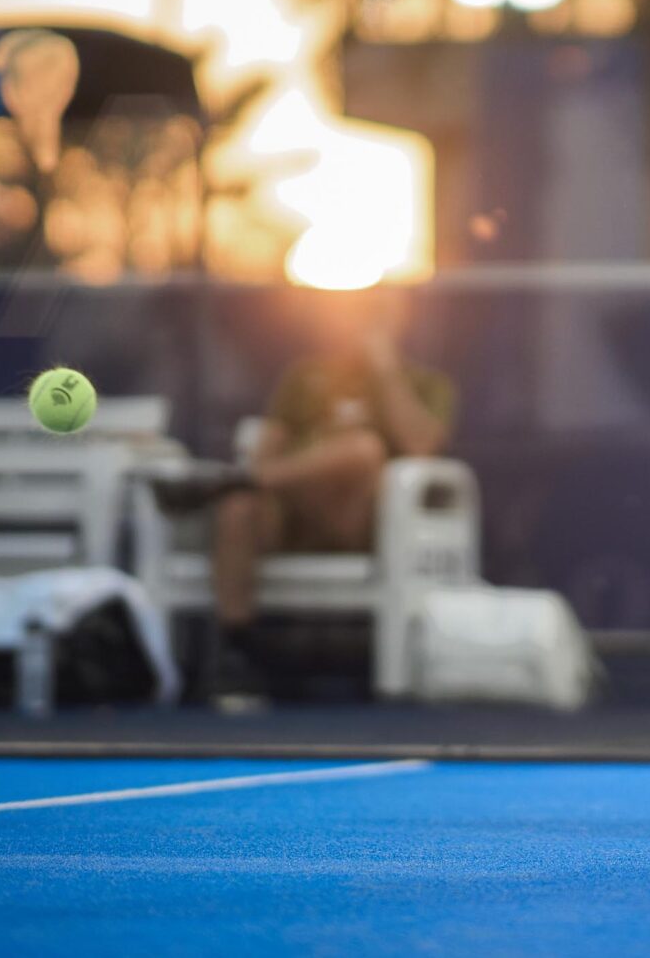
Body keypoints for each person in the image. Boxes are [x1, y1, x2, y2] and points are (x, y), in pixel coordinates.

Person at [152, 284, 455, 709]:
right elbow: (267, 453)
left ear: (402, 318)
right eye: (362, 311)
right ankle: (237, 652)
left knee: (363, 449)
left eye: (381, 312)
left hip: (364, 523)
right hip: (291, 516)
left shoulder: (427, 384)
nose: (370, 322)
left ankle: (228, 482)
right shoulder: (305, 377)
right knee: (240, 506)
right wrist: (265, 478)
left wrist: (384, 369)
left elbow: (421, 446)